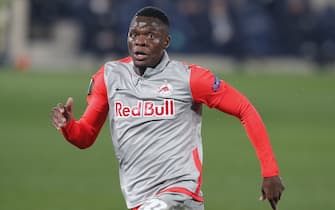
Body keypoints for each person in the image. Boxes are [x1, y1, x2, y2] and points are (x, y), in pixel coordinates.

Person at [51, 6, 285, 210]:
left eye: (151, 35)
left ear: (166, 42)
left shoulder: (189, 79)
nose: (140, 41)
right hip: (138, 197)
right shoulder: (109, 76)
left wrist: (270, 171)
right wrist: (68, 126)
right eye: (134, 34)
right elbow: (85, 137)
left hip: (181, 194)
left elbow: (244, 108)